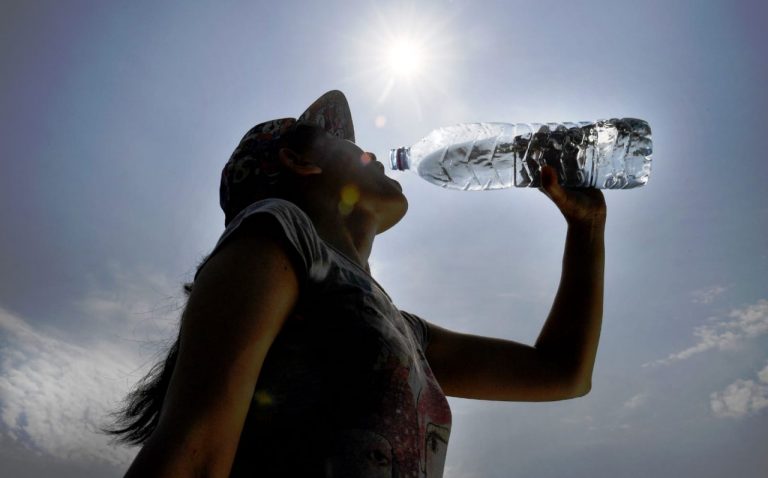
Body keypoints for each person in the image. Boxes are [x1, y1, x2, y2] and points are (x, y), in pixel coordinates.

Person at [110, 90, 606, 477]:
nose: (374, 154)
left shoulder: (399, 327)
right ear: (301, 162)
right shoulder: (278, 233)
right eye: (351, 146)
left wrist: (586, 228)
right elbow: (193, 460)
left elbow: (562, 373)